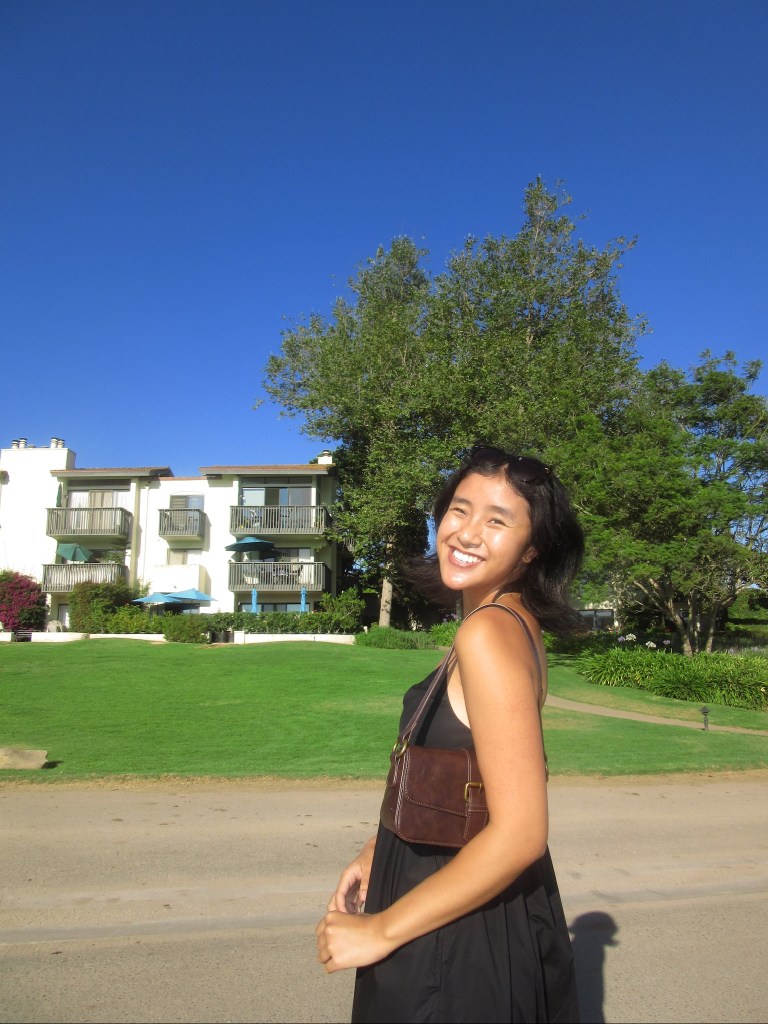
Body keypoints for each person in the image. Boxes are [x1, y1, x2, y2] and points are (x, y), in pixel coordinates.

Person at [316, 444, 585, 1023]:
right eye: (459, 510)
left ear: (531, 549)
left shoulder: (487, 634)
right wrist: (378, 848)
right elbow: (468, 773)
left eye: (497, 521)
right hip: (458, 899)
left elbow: (521, 833)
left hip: (456, 935)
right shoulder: (511, 622)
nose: (465, 532)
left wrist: (381, 930)